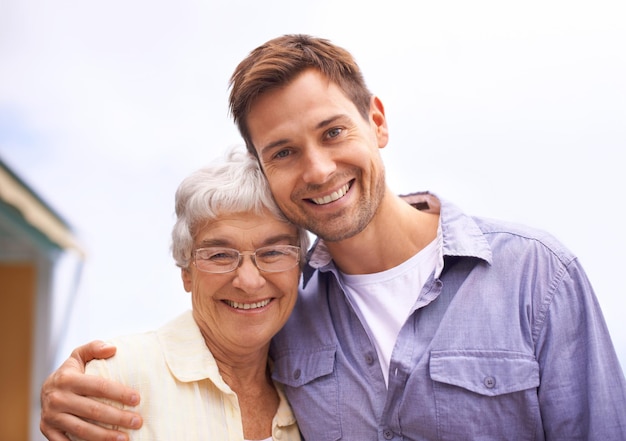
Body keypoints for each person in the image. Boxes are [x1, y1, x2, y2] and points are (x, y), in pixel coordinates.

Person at [41, 34, 626, 441]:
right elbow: (200, 351)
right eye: (284, 152)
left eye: (333, 131)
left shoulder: (536, 275)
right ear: (263, 167)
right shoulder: (282, 307)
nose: (318, 169)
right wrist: (75, 390)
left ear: (377, 121)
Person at [52, 147, 309, 441]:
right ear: (186, 271)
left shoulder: (309, 396)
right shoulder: (115, 379)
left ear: (299, 266)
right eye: (220, 255)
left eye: (273, 252)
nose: (249, 281)